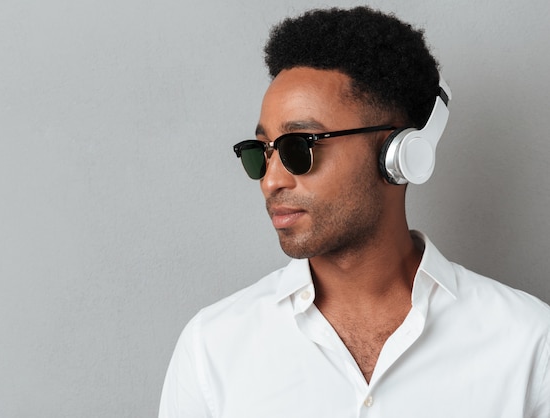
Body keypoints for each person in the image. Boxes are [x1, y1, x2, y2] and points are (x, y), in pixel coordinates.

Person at [159, 7, 550, 417]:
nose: (271, 181)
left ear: (399, 155)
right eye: (261, 152)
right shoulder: (213, 348)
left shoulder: (528, 344)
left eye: (299, 147)